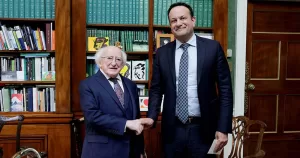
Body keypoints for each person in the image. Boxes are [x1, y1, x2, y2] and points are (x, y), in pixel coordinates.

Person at [141, 2, 233, 158]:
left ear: (193, 20)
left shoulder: (212, 48)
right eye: (173, 20)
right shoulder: (162, 53)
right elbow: (156, 89)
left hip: (203, 128)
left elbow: (225, 90)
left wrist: (223, 128)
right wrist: (151, 117)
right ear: (170, 25)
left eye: (182, 18)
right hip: (172, 128)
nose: (178, 23)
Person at [79, 46, 145, 158]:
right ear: (100, 62)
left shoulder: (131, 85)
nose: (114, 63)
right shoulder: (87, 85)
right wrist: (126, 124)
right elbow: (92, 116)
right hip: (100, 151)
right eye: (109, 58)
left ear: (123, 64)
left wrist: (140, 149)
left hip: (130, 151)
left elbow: (136, 119)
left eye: (118, 59)